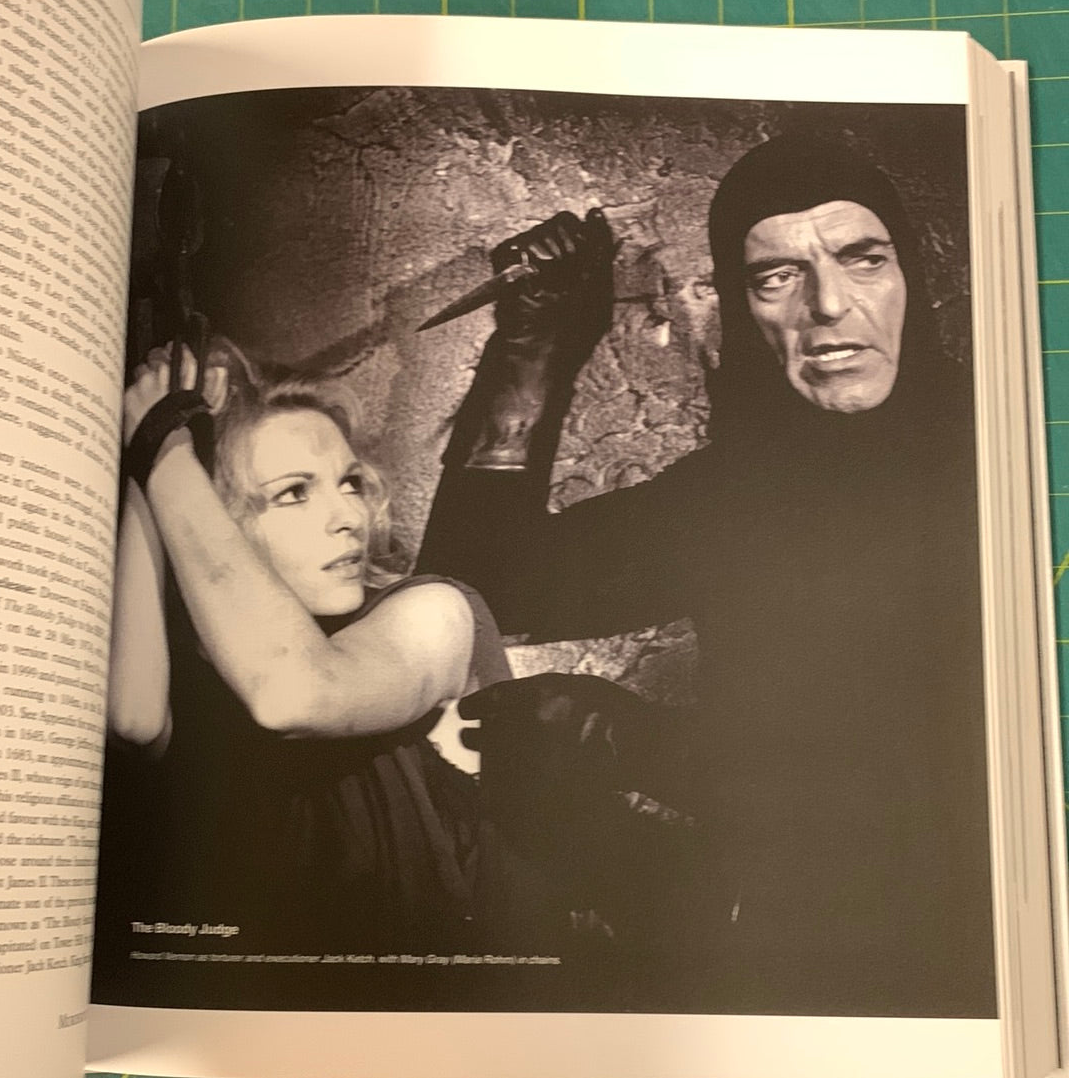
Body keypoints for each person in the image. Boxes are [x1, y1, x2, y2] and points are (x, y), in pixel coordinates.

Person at [418, 132, 996, 1017]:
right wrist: (534, 348)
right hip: (795, 969)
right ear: (741, 303)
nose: (828, 304)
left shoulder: (1005, 455)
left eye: (863, 259)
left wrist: (637, 741)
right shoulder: (739, 492)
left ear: (909, 274)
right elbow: (478, 589)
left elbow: (949, 770)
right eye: (777, 277)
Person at [93, 341, 513, 1006]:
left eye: (350, 482)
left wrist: (163, 444)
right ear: (214, 521)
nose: (349, 517)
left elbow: (296, 692)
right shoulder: (216, 678)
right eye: (294, 493)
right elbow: (133, 719)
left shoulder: (439, 613)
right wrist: (155, 464)